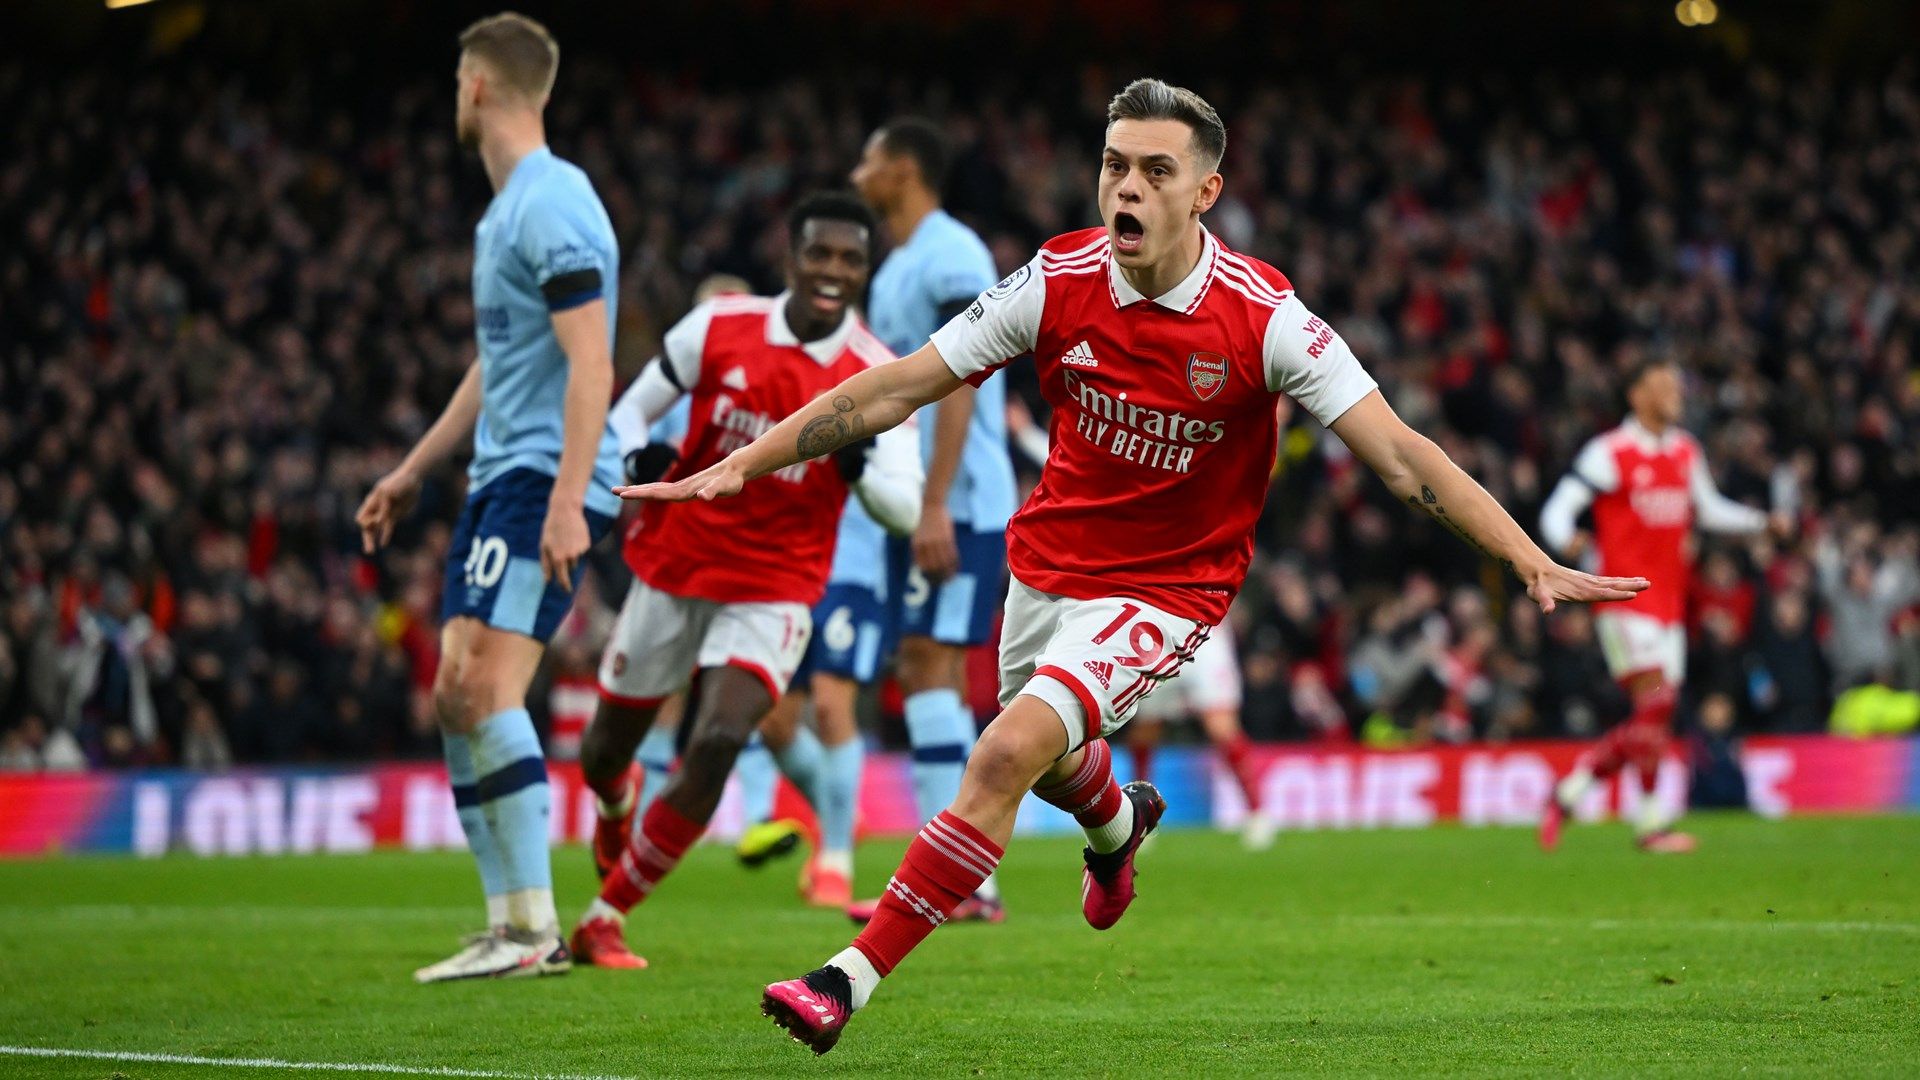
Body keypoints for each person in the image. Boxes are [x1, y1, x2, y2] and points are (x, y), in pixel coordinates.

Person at [624, 78, 1645, 1053]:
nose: (1127, 188)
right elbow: (899, 386)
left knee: (1000, 755)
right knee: (1051, 758)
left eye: (1157, 172)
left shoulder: (1265, 319)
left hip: (1168, 588)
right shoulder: (1056, 281)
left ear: (1205, 193)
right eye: (1116, 165)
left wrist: (1527, 558)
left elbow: (1402, 455)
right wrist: (744, 463)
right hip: (1046, 567)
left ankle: (846, 977)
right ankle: (1117, 827)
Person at [567, 192, 924, 969]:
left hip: (777, 584)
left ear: (865, 270)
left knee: (722, 735)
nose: (834, 272)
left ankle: (605, 916)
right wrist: (636, 459)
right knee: (602, 751)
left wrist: (861, 471)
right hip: (674, 565)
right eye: (820, 255)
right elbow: (632, 412)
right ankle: (615, 799)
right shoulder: (718, 327)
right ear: (790, 257)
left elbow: (903, 506)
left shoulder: (877, 372)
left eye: (851, 260)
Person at [356, 12, 621, 982]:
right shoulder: (504, 213)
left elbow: (592, 364)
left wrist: (563, 499)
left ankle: (531, 933)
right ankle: (509, 923)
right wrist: (414, 468)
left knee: (486, 687)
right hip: (499, 475)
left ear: (477, 86)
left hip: (543, 478)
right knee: (453, 692)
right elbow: (502, 361)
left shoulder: (551, 202)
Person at [841, 117, 1018, 922]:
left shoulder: (952, 253)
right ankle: (952, 875)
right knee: (924, 667)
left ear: (905, 170)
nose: (858, 172)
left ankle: (962, 879)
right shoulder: (900, 265)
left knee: (929, 659)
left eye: (870, 160)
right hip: (921, 499)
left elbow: (960, 381)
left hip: (961, 499)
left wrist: (937, 500)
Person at [1537, 358, 1780, 853]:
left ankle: (1568, 795)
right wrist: (1569, 545)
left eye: (1676, 384)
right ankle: (1648, 826)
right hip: (1623, 600)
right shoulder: (1611, 452)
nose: (1675, 392)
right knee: (1656, 707)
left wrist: (1761, 523)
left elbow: (1708, 510)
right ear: (1636, 396)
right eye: (1663, 384)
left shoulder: (1685, 451)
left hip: (1670, 604)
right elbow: (1557, 510)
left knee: (1653, 719)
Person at [1123, 620, 1277, 848]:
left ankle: (1257, 814)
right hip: (1160, 633)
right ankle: (1139, 820)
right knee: (1145, 730)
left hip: (1204, 633)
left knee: (1221, 727)